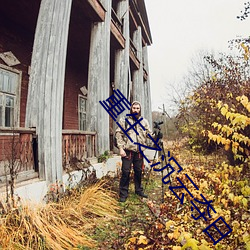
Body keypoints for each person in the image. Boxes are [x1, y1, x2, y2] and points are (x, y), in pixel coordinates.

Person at [115, 101, 154, 202]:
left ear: (140, 110)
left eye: (137, 108)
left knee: (138, 171)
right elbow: (118, 134)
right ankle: (123, 193)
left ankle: (138, 190)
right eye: (134, 108)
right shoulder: (124, 120)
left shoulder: (144, 121)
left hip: (139, 151)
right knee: (125, 172)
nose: (136, 110)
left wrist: (156, 136)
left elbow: (149, 134)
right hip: (127, 150)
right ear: (131, 109)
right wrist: (121, 148)